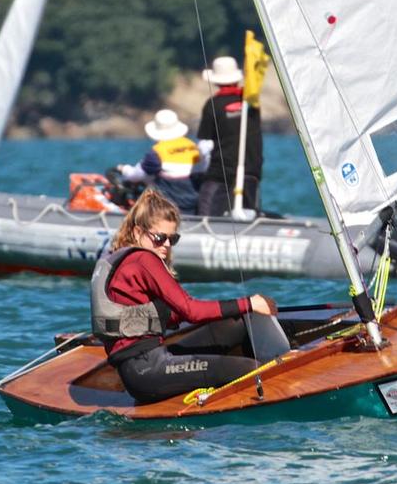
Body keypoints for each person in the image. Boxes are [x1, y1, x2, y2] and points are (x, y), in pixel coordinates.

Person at [91, 189, 287, 404]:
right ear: (138, 233)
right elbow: (191, 311)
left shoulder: (127, 260)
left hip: (147, 363)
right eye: (159, 238)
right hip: (145, 370)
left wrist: (241, 310)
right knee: (253, 370)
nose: (166, 244)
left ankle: (280, 356)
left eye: (172, 239)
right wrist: (249, 302)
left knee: (235, 324)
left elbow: (173, 315)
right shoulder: (143, 260)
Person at [196, 56, 262, 216]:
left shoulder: (213, 104)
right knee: (249, 212)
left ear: (216, 81)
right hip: (252, 169)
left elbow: (205, 143)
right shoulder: (251, 102)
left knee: (206, 211)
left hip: (221, 172)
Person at [118, 109, 202, 215]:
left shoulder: (157, 152)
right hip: (194, 201)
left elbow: (136, 175)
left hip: (170, 205)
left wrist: (123, 169)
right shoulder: (193, 146)